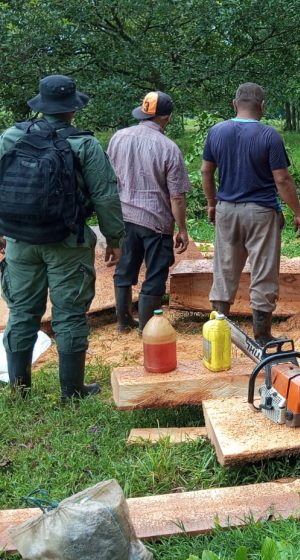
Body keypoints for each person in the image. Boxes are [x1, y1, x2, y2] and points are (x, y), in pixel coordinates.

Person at [0, 75, 124, 398]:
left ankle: (19, 389)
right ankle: (72, 391)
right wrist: (114, 239)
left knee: (22, 311)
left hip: (20, 242)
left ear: (41, 106)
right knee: (69, 313)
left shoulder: (12, 136)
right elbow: (106, 195)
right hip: (68, 243)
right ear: (72, 110)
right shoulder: (84, 145)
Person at [201, 83, 300, 345]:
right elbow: (281, 178)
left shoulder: (217, 132)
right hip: (261, 212)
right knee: (263, 271)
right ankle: (262, 335)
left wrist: (212, 203)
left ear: (234, 104)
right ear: (263, 107)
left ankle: (218, 332)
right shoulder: (269, 136)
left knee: (224, 268)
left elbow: (206, 171)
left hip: (226, 210)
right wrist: (297, 211)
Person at [107, 91, 191, 333]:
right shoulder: (168, 148)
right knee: (155, 274)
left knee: (124, 269)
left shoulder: (118, 138)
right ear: (168, 117)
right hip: (156, 223)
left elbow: (109, 179)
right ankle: (146, 328)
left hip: (123, 217)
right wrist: (182, 229)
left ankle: (123, 323)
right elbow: (176, 195)